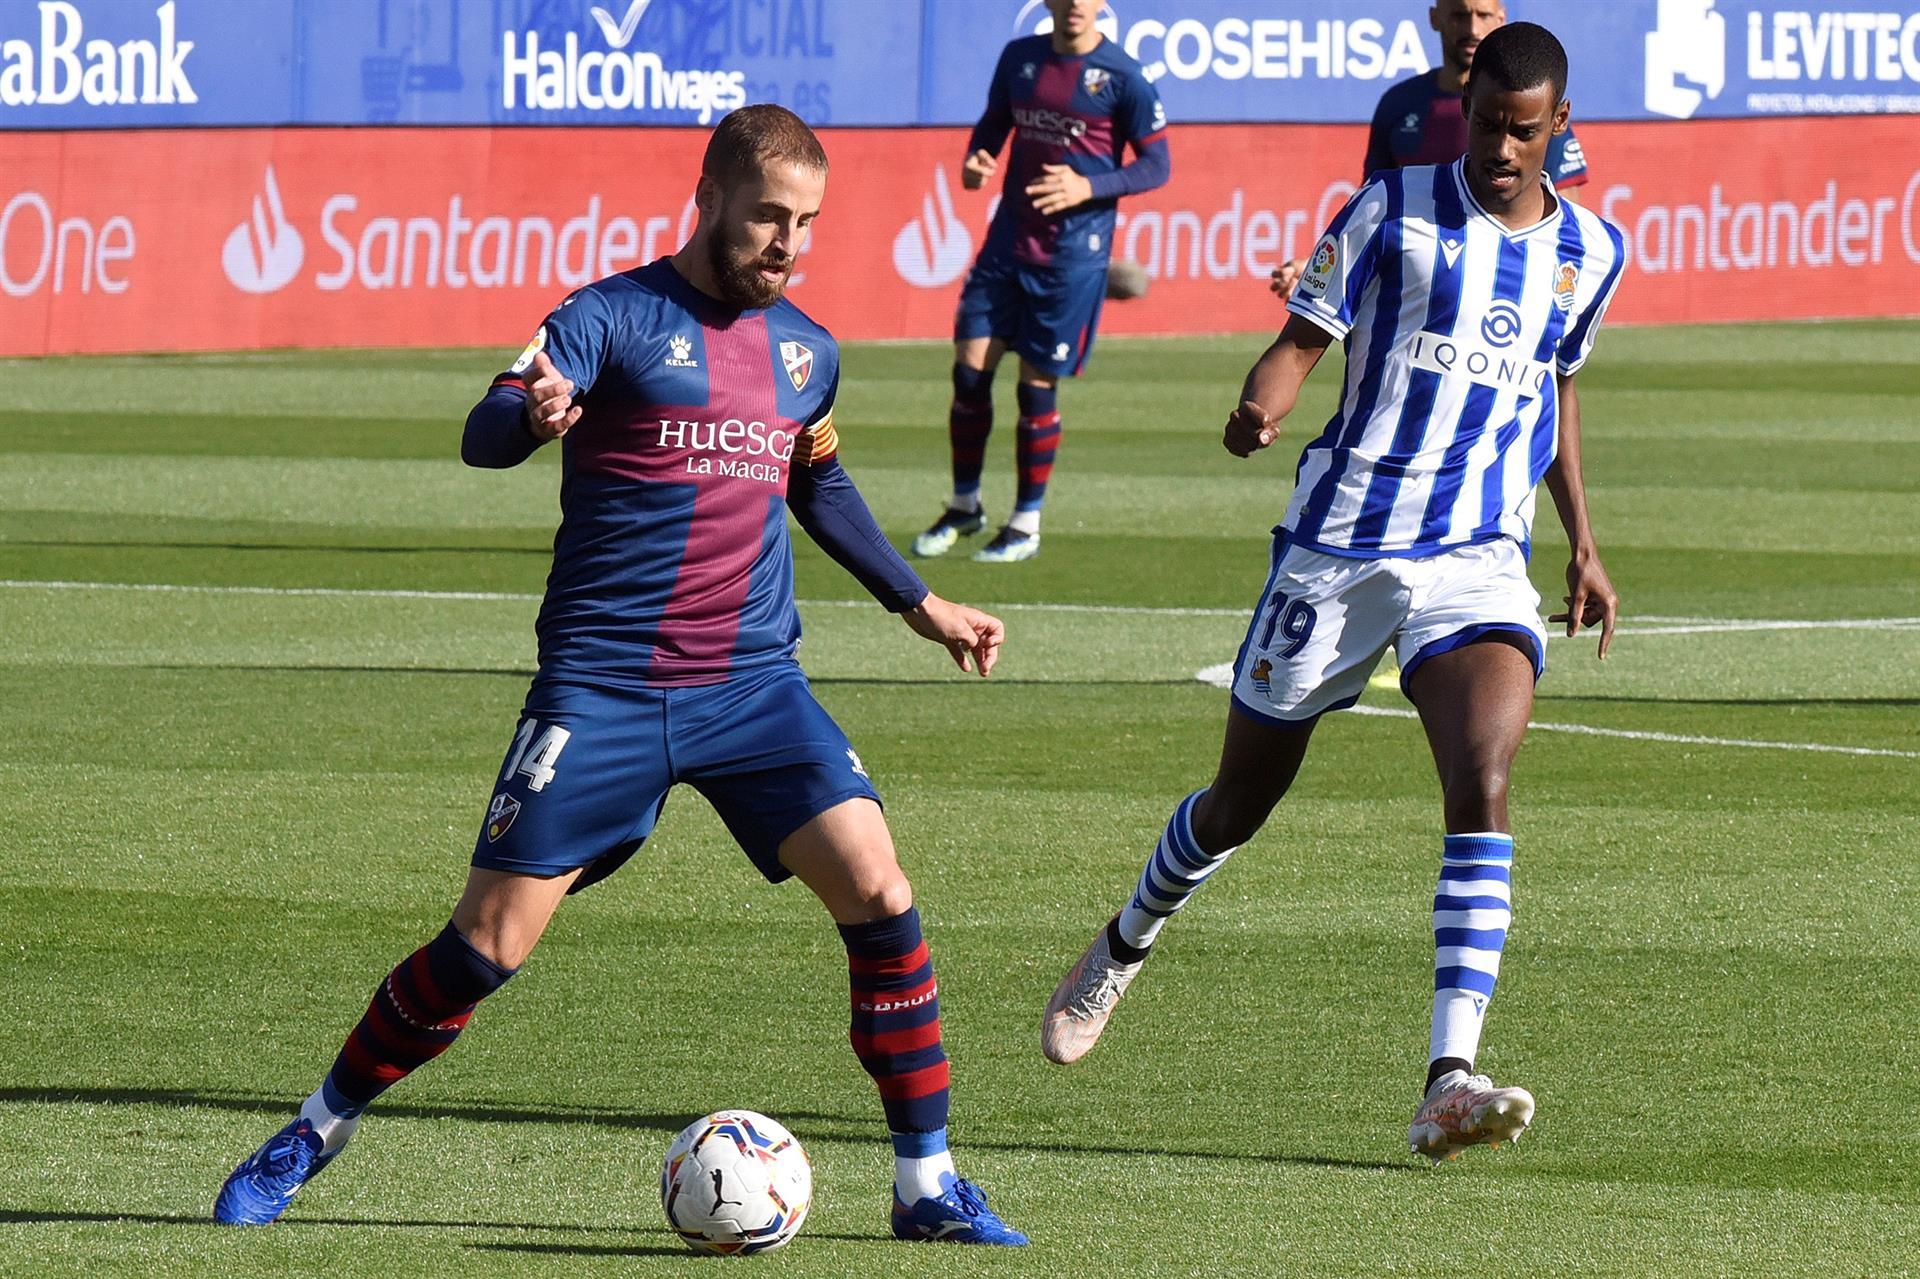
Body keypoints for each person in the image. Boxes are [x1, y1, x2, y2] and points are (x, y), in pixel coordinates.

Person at [212, 105, 1028, 1247]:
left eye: (807, 223)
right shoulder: (608, 317)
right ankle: (314, 1128)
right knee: (484, 946)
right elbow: (487, 427)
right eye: (767, 218)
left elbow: (819, 484)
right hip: (599, 691)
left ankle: (926, 1185)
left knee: (882, 893)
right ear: (708, 198)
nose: (787, 243)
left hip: (754, 687)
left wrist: (921, 603)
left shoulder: (806, 350)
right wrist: (532, 414)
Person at [1041, 23, 1625, 1166]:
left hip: (1476, 557)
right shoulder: (1392, 208)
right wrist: (1258, 403)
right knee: (1238, 803)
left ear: (1560, 129)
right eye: (1485, 122)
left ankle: (1447, 1075)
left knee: (1485, 777)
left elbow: (1554, 395)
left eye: (1524, 130)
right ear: (1464, 105)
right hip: (1342, 546)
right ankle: (1128, 935)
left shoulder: (1592, 254)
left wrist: (1583, 544)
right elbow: (1302, 341)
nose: (1500, 148)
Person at [910, 0, 1170, 564]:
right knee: (968, 375)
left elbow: (1156, 165)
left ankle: (1025, 523)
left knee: (1035, 389)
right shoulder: (1020, 57)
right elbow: (993, 124)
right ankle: (964, 505)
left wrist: (1087, 188)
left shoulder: (1123, 76)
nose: (1075, 3)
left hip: (1070, 257)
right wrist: (975, 162)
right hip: (1006, 246)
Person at [1269, 0, 1591, 302]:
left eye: (1483, 15)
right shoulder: (1399, 104)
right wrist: (1319, 267)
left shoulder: (1534, 118)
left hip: (1500, 299)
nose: (1473, 29)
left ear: (1501, 17)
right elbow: (1370, 213)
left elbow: (1564, 231)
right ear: (1435, 17)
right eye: (1460, 15)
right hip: (1410, 298)